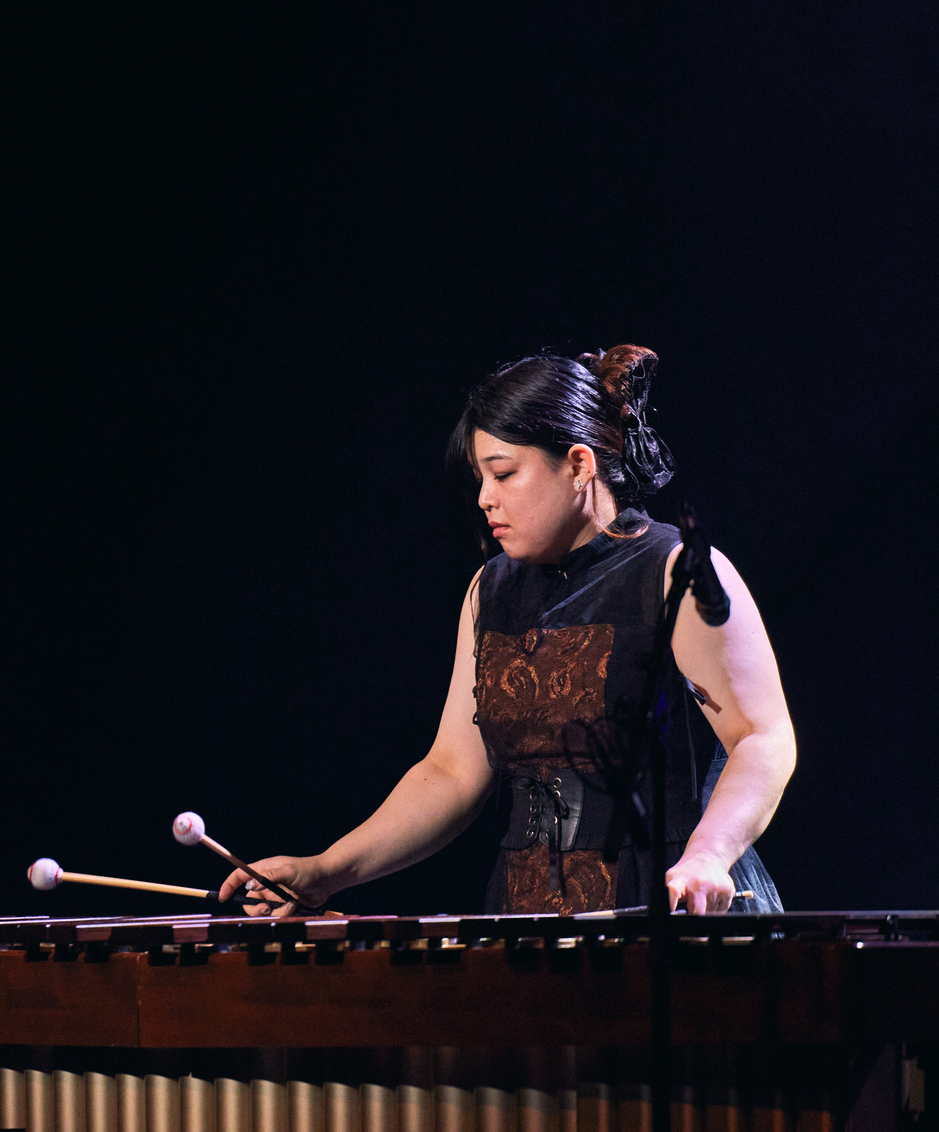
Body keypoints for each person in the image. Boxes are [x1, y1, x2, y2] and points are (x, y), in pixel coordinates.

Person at [220, 346, 795, 917]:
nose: (483, 498)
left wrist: (708, 856)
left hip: (665, 898)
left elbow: (762, 739)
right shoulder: (490, 591)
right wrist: (327, 870)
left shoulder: (675, 571)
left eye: (504, 474)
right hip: (527, 905)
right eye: (480, 478)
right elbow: (452, 772)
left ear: (579, 466)